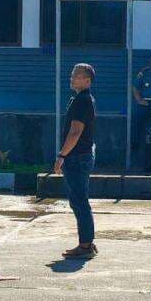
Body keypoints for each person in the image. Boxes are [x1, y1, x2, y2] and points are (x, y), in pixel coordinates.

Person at [53, 63, 98, 259]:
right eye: (72, 74)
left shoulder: (82, 100)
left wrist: (61, 155)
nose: (72, 78)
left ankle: (86, 245)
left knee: (79, 201)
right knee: (79, 200)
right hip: (81, 156)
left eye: (77, 76)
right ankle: (88, 242)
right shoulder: (81, 99)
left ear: (87, 80)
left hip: (77, 157)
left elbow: (76, 131)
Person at [132, 54, 151, 149]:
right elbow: (135, 87)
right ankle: (135, 143)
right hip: (146, 102)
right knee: (136, 116)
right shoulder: (144, 73)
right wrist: (139, 99)